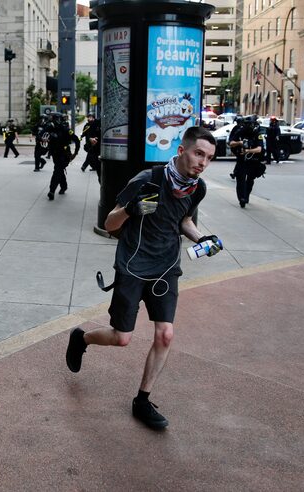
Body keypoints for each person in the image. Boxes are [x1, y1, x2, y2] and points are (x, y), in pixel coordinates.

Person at [65, 126, 221, 430]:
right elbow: (110, 223)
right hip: (133, 266)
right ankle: (80, 338)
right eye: (198, 153)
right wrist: (132, 210)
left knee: (165, 334)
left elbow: (184, 220)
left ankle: (142, 400)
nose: (203, 162)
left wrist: (203, 239)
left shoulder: (196, 188)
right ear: (181, 151)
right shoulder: (147, 180)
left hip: (166, 268)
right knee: (121, 338)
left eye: (209, 158)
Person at [228, 115, 264, 208]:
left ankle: (246, 195)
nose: (248, 126)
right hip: (242, 160)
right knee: (240, 179)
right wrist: (239, 143)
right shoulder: (240, 132)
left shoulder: (257, 133)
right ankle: (242, 198)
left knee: (250, 180)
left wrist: (248, 151)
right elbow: (231, 143)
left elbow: (259, 149)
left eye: (250, 124)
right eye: (247, 124)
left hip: (253, 160)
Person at [46, 113, 80, 200]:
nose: (52, 121)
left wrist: (75, 153)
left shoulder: (66, 129)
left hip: (64, 154)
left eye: (54, 119)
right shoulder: (51, 128)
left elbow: (77, 140)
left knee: (57, 170)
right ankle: (64, 186)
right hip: (55, 154)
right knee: (59, 170)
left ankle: (51, 191)